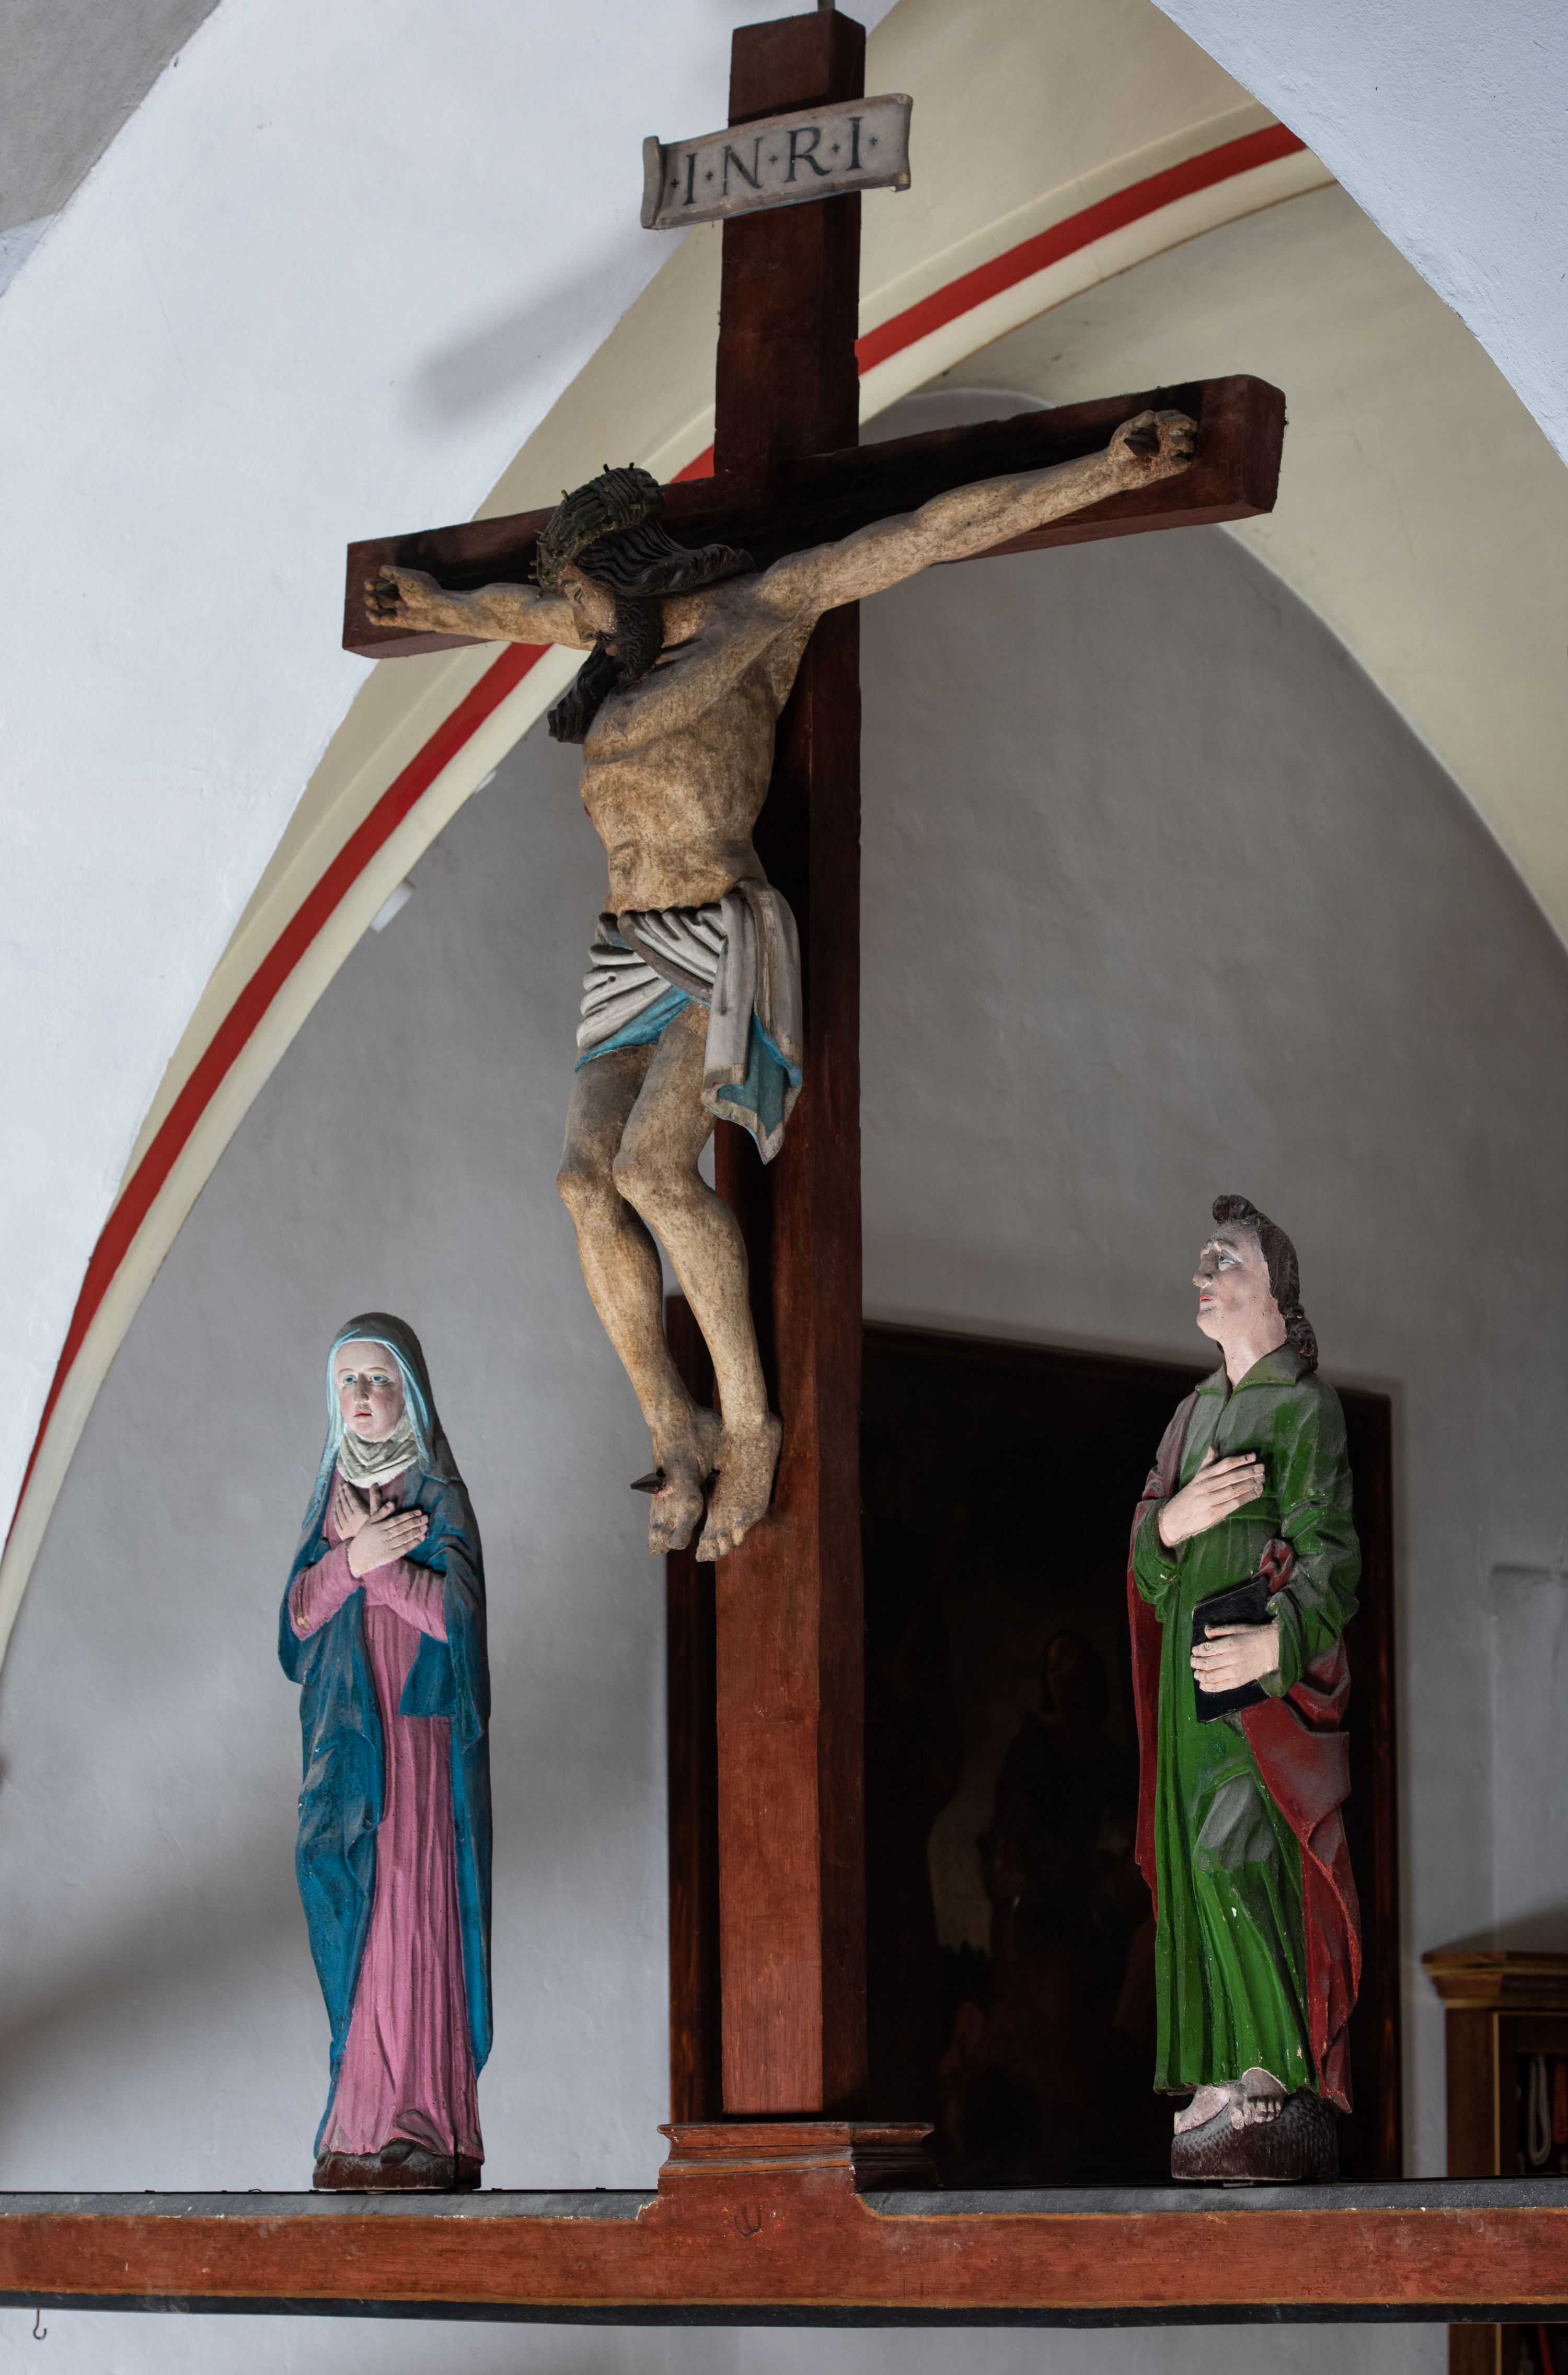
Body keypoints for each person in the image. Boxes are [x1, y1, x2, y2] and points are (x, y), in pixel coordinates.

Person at [366, 415, 1196, 1565]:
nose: (574, 615)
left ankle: (750, 1426)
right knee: (581, 1183)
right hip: (625, 949)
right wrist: (429, 603)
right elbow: (512, 610)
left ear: (626, 568)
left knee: (654, 1169)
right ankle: (675, 1420)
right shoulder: (616, 640)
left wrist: (1104, 471)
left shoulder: (761, 612)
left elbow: (929, 531)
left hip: (720, 931)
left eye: (584, 590)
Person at [1128, 1197, 1361, 2182]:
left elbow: (1332, 1557)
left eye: (1224, 1260)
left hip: (1259, 1693)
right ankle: (1222, 2073)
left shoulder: (1306, 1406)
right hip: (1191, 1687)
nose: (1204, 1273)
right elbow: (1146, 1558)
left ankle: (1275, 2067)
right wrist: (1170, 1525)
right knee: (1191, 1867)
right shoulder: (1190, 1416)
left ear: (1274, 1291)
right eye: (1204, 1259)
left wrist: (1272, 1644)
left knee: (1240, 1855)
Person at [280, 1316, 491, 2190]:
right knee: (354, 1910)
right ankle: (358, 2122)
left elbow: (456, 1621)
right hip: (349, 1741)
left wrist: (380, 1570)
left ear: (412, 1393)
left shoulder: (437, 1495)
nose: (363, 1397)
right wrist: (350, 1558)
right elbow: (297, 1624)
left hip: (419, 1741)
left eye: (380, 1380)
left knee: (413, 1909)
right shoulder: (332, 1495)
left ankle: (425, 2124)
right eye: (349, 1381)